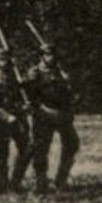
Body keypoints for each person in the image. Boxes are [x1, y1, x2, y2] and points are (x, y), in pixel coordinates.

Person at [26, 45, 79, 192]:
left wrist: (67, 82)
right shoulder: (34, 73)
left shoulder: (59, 72)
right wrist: (44, 110)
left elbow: (67, 94)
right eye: (48, 55)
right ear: (41, 56)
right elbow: (32, 97)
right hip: (43, 115)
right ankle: (41, 183)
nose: (51, 57)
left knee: (72, 144)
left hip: (61, 115)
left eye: (53, 55)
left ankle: (61, 180)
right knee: (41, 149)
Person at [0, 49, 31, 192]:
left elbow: (22, 97)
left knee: (27, 149)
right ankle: (2, 185)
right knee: (1, 154)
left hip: (19, 119)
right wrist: (5, 116)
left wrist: (24, 106)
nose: (5, 63)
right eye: (1, 60)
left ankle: (15, 182)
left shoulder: (16, 79)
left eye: (7, 60)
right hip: (0, 122)